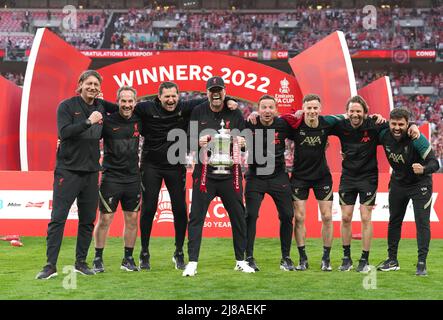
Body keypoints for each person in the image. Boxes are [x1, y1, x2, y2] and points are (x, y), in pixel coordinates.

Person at [102, 81, 237, 271]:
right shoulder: (145, 108)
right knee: (148, 209)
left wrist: (229, 99)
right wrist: (100, 104)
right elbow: (122, 106)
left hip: (176, 165)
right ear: (159, 97)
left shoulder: (185, 106)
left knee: (180, 210)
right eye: (167, 96)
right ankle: (145, 252)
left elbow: (211, 99)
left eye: (174, 96)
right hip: (151, 166)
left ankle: (179, 252)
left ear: (178, 96)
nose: (171, 100)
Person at [36, 70, 112, 279]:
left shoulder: (101, 107)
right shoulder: (67, 106)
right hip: (67, 171)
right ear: (80, 84)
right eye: (89, 83)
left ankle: (81, 262)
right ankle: (50, 265)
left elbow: (121, 113)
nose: (92, 87)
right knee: (57, 219)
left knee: (87, 221)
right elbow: (64, 132)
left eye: (96, 84)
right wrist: (89, 121)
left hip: (90, 173)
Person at [182, 76, 254, 276]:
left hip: (230, 174)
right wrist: (199, 140)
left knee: (239, 217)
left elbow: (247, 140)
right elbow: (187, 141)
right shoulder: (198, 111)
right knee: (196, 218)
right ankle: (192, 262)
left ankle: (241, 260)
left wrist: (242, 141)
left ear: (224, 92)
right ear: (207, 93)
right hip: (205, 174)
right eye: (212, 90)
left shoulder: (234, 111)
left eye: (219, 90)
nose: (216, 94)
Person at [377, 108, 439, 276]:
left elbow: (435, 163)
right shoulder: (383, 134)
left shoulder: (416, 138)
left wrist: (424, 169)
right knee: (394, 221)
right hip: (398, 183)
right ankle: (392, 260)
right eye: (394, 124)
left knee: (422, 223)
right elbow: (364, 133)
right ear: (389, 122)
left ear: (407, 124)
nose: (397, 128)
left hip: (420, 185)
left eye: (401, 124)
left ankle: (421, 264)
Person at [287, 94, 345, 272]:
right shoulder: (296, 125)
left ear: (320, 109)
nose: (312, 111)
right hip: (299, 177)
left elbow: (348, 116)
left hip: (322, 177)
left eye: (315, 108)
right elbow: (276, 121)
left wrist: (375, 117)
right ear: (303, 109)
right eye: (308, 108)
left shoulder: (327, 122)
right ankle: (302, 259)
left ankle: (326, 259)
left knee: (327, 216)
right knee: (299, 218)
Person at [244, 95, 301, 272]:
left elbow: (301, 127)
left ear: (275, 110)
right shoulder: (250, 123)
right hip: (255, 177)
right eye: (263, 107)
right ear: (258, 109)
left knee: (286, 215)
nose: (267, 111)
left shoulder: (283, 124)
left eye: (270, 107)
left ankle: (286, 258)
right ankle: (248, 258)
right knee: (250, 216)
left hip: (278, 176)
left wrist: (300, 114)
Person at [92, 86, 142, 273]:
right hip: (111, 177)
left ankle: (128, 259)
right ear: (118, 101)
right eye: (123, 101)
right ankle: (98, 258)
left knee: (132, 219)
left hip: (133, 178)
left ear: (135, 102)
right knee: (105, 219)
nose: (127, 105)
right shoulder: (107, 121)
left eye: (130, 101)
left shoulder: (140, 119)